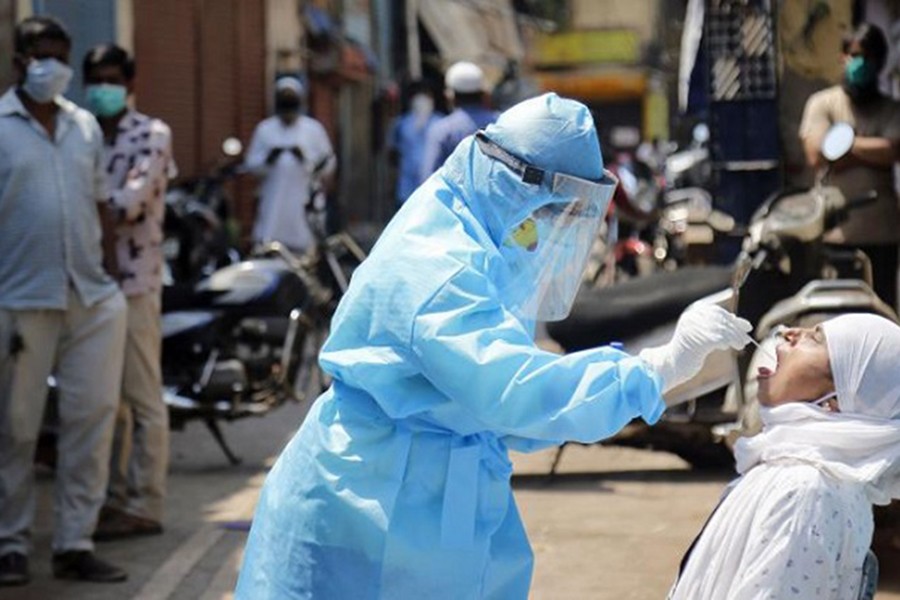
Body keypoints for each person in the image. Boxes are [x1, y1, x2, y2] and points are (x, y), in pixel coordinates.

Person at [235, 93, 751, 598]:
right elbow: (512, 392)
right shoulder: (438, 263)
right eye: (551, 211)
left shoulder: (475, 228)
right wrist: (654, 371)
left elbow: (499, 412)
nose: (548, 231)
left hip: (421, 502)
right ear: (511, 182)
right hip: (364, 507)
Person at [0, 17, 128, 585]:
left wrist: (112, 272)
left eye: (59, 55)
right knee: (16, 427)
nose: (50, 66)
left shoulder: (83, 126)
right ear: (18, 62)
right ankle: (10, 544)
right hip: (21, 296)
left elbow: (101, 200)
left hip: (91, 295)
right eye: (40, 55)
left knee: (91, 421)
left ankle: (76, 543)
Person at [669, 314, 900, 599]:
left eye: (816, 338)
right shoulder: (800, 474)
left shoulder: (806, 492)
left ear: (835, 402)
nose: (789, 332)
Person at [81, 44, 176, 541]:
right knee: (105, 401)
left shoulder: (152, 134)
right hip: (89, 282)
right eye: (96, 79)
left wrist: (81, 213)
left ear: (130, 84)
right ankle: (111, 499)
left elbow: (129, 204)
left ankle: (146, 503)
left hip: (136, 281)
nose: (104, 88)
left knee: (142, 397)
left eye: (112, 79)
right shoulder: (80, 133)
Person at [799, 23, 900, 311]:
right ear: (843, 57)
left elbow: (892, 150)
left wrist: (843, 145)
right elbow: (816, 154)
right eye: (855, 55)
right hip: (835, 237)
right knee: (836, 317)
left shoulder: (891, 109)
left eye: (868, 57)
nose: (860, 64)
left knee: (881, 315)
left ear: (880, 63)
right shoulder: (823, 103)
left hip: (882, 238)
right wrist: (870, 149)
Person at [245, 76, 336, 253]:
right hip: (274, 200)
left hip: (304, 200)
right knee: (271, 244)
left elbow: (329, 163)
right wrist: (268, 160)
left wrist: (305, 158)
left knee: (306, 247)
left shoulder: (313, 129)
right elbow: (251, 164)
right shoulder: (265, 129)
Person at [419, 61, 498, 179]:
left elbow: (430, 177)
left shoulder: (441, 130)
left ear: (450, 96)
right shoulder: (501, 123)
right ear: (482, 93)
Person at [388, 80, 444, 206]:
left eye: (426, 95)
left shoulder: (442, 123)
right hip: (406, 190)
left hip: (434, 192)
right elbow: (392, 154)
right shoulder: (400, 124)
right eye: (419, 95)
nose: (422, 99)